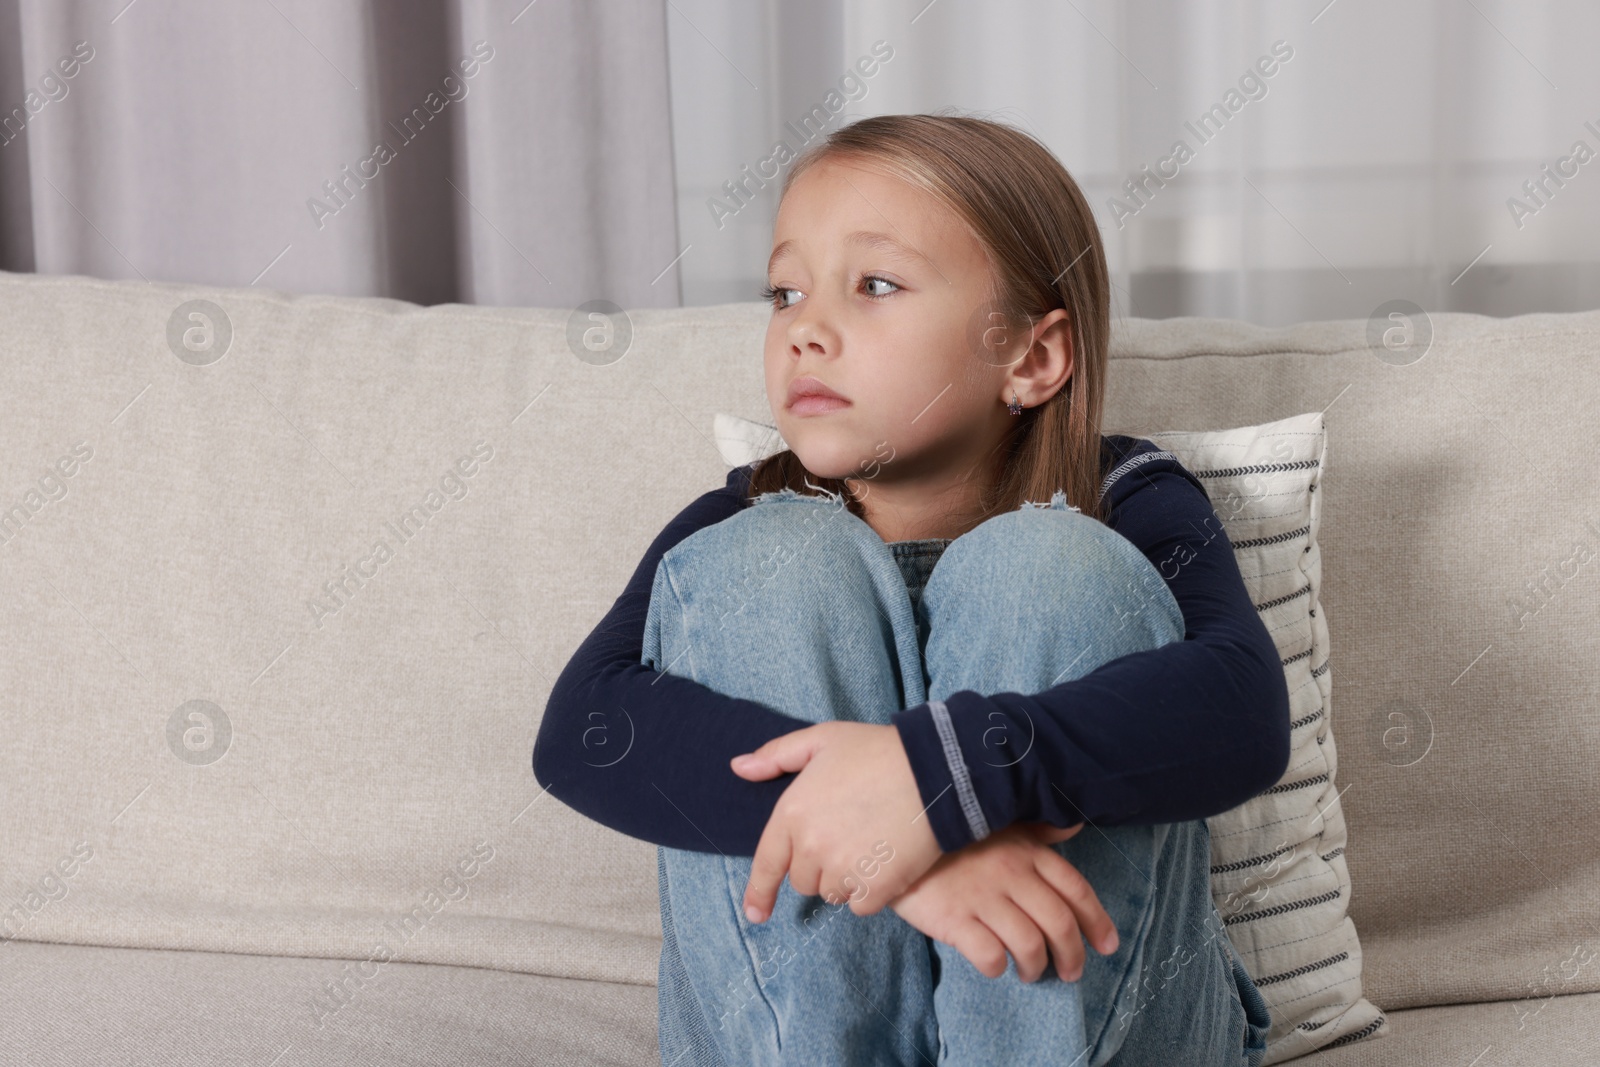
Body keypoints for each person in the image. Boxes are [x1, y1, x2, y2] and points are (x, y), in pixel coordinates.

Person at [533, 113, 1281, 1066]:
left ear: (1032, 357)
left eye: (875, 284)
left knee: (1048, 567)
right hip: (791, 1034)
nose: (804, 327)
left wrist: (944, 778)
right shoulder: (743, 522)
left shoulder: (1128, 497)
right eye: (785, 290)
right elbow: (583, 730)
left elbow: (1241, 711)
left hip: (1112, 1027)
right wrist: (887, 846)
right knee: (776, 563)